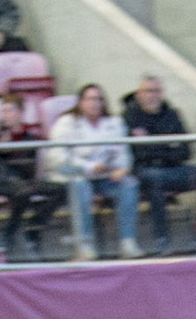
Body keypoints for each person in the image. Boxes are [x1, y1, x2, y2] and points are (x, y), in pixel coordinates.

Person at [45, 83, 142, 261]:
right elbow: (57, 156)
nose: (94, 103)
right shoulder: (66, 122)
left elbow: (122, 152)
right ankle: (84, 244)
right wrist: (88, 167)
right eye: (89, 99)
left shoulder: (114, 123)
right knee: (81, 186)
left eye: (98, 99)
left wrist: (122, 168)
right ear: (80, 102)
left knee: (129, 183)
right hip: (75, 172)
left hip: (105, 175)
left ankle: (127, 242)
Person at [123, 75, 196, 254]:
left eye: (157, 91)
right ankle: (162, 240)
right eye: (148, 91)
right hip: (145, 171)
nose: (153, 95)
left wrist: (153, 145)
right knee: (155, 179)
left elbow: (186, 151)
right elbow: (138, 154)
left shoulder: (172, 115)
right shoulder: (130, 117)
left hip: (173, 168)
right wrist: (167, 148)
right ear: (139, 94)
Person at [0, 92, 62, 259]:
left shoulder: (30, 138)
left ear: (20, 113)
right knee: (23, 192)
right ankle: (8, 239)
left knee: (62, 189)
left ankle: (34, 224)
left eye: (9, 111)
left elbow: (30, 169)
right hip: (0, 181)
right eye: (3, 111)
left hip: (25, 181)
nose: (5, 115)